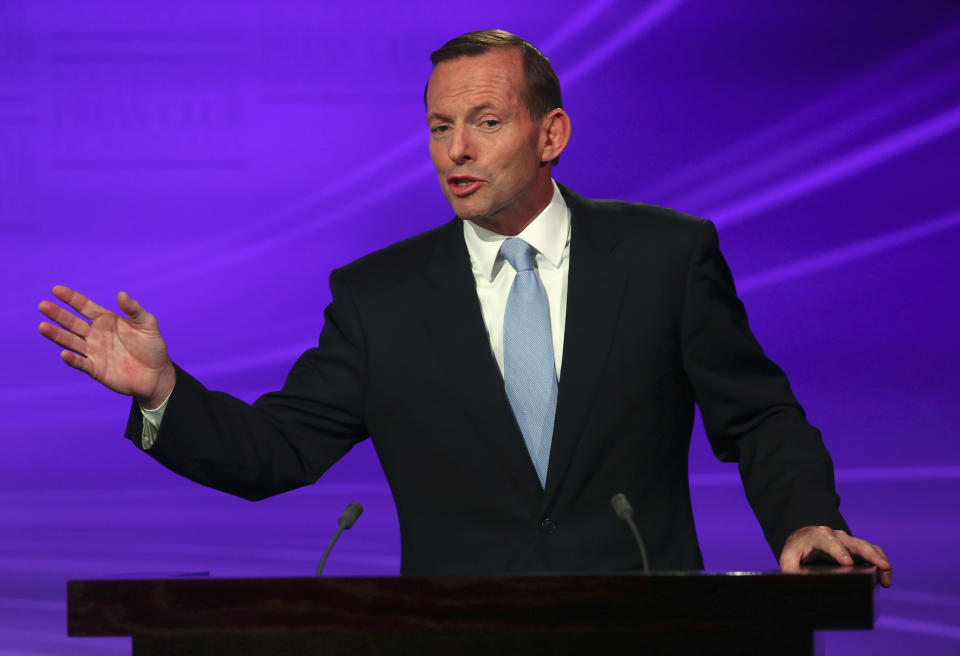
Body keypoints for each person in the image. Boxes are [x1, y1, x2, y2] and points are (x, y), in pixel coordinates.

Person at [38, 29, 890, 585]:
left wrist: (810, 520)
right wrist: (161, 393)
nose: (458, 151)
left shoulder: (667, 258)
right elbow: (275, 453)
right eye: (440, 127)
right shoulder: (379, 299)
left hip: (646, 634)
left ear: (550, 134)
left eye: (485, 121)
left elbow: (760, 418)